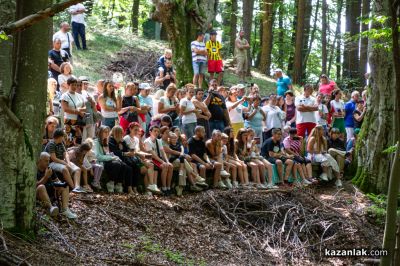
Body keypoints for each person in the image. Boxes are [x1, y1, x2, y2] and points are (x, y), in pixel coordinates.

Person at [36, 152, 77, 219]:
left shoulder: (49, 169)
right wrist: (46, 177)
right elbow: (36, 185)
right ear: (40, 160)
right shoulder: (35, 170)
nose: (48, 162)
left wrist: (59, 185)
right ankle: (51, 208)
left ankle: (65, 209)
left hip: (51, 192)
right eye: (46, 161)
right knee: (41, 187)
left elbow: (57, 180)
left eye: (49, 160)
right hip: (40, 194)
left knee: (64, 185)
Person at [123, 122, 161, 194]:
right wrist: (143, 155)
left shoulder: (136, 139)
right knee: (146, 169)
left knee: (151, 165)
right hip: (130, 159)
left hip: (137, 158)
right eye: (135, 130)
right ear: (130, 129)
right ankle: (148, 188)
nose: (137, 132)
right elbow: (130, 151)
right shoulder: (126, 138)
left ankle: (150, 186)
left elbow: (138, 151)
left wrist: (147, 155)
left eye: (138, 130)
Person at [44, 128, 85, 193]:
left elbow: (65, 154)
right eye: (63, 136)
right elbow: (53, 158)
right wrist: (64, 163)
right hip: (53, 163)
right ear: (60, 136)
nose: (64, 138)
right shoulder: (51, 144)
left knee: (77, 169)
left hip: (61, 161)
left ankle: (77, 187)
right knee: (64, 169)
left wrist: (68, 162)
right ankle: (73, 187)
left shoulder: (61, 143)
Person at [93, 126, 132, 193]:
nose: (107, 134)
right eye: (105, 132)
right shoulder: (96, 142)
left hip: (107, 160)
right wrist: (111, 158)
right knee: (116, 164)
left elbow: (108, 153)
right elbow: (98, 156)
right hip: (100, 162)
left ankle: (118, 184)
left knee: (123, 165)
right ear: (100, 132)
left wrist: (115, 157)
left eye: (108, 132)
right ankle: (111, 182)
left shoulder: (106, 142)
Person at [108, 126, 139, 194]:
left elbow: (126, 149)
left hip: (123, 159)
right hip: (113, 159)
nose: (122, 135)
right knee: (127, 168)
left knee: (135, 167)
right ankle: (128, 187)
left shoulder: (121, 141)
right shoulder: (111, 140)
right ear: (116, 133)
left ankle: (134, 187)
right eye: (120, 133)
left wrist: (127, 150)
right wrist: (123, 153)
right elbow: (114, 152)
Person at [144, 125, 174, 195]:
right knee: (164, 166)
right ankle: (163, 187)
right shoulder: (147, 141)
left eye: (158, 131)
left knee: (170, 166)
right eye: (155, 131)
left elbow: (163, 152)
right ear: (150, 132)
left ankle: (168, 187)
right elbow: (153, 155)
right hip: (151, 159)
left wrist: (167, 161)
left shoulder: (158, 141)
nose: (156, 133)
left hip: (158, 159)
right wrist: (163, 162)